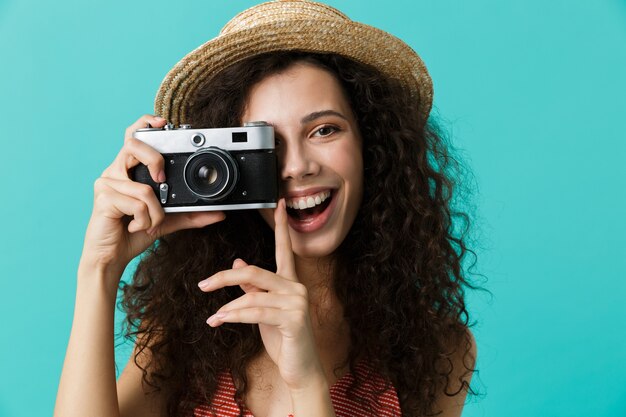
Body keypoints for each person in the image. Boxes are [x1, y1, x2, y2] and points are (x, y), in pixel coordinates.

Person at [55, 1, 478, 416]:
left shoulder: (437, 349)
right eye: (266, 144)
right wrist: (98, 269)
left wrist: (306, 381)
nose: (296, 167)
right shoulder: (186, 327)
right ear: (228, 166)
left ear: (372, 144)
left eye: (324, 130)